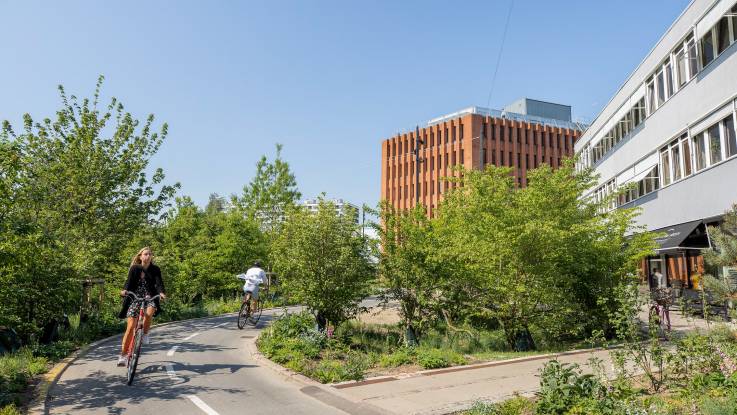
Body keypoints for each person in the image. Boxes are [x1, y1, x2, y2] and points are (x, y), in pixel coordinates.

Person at [117, 247, 166, 366]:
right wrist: (124, 291)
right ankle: (123, 356)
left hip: (149, 296)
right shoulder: (135, 268)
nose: (148, 256)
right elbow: (128, 282)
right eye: (145, 254)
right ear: (140, 256)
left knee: (149, 313)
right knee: (130, 327)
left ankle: (145, 333)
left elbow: (159, 283)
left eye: (150, 254)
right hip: (135, 297)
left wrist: (161, 293)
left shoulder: (155, 269)